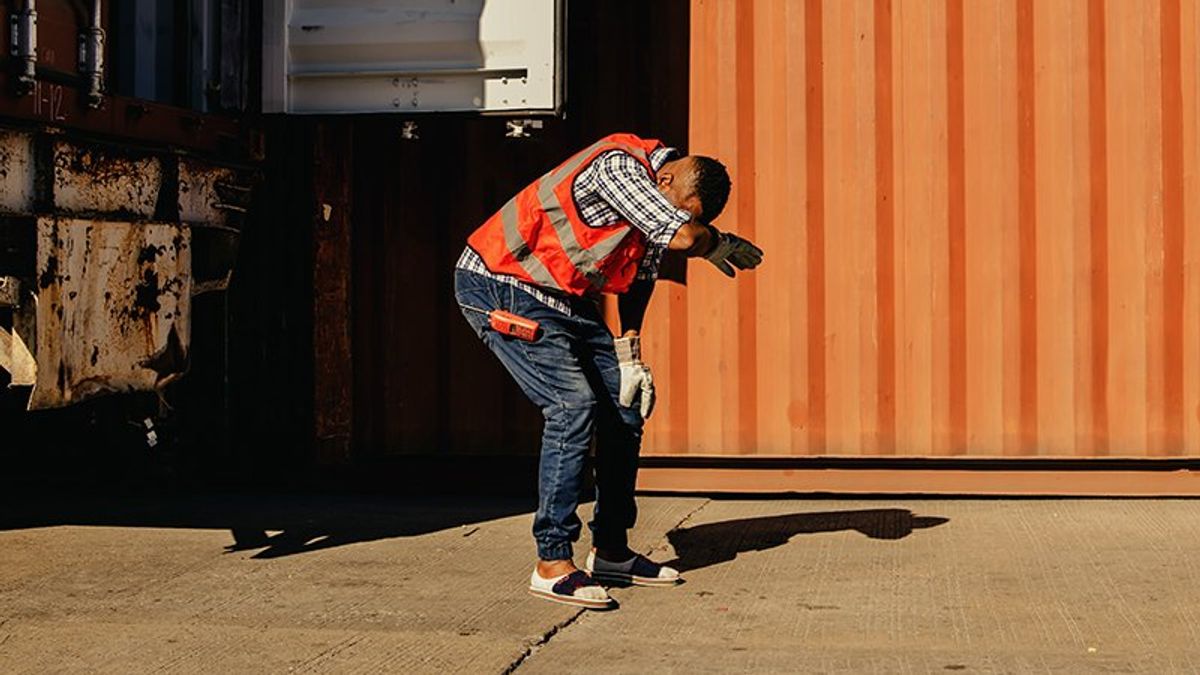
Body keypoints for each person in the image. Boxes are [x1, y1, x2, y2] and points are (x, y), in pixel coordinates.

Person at [454, 133, 763, 609]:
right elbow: (682, 237)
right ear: (665, 180)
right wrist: (714, 241)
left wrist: (629, 352)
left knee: (625, 406)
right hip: (500, 282)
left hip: (561, 297)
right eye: (682, 211)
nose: (683, 222)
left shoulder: (657, 200)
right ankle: (552, 561)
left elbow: (642, 276)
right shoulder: (619, 166)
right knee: (571, 406)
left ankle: (612, 551)